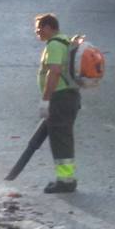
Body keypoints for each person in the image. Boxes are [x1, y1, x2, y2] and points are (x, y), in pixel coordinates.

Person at [35, 13, 81, 193]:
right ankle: (66, 179)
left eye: (39, 29)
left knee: (60, 139)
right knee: (63, 137)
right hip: (69, 96)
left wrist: (46, 99)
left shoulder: (54, 45)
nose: (37, 33)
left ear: (48, 27)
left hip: (60, 97)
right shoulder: (65, 41)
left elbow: (53, 72)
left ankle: (65, 181)